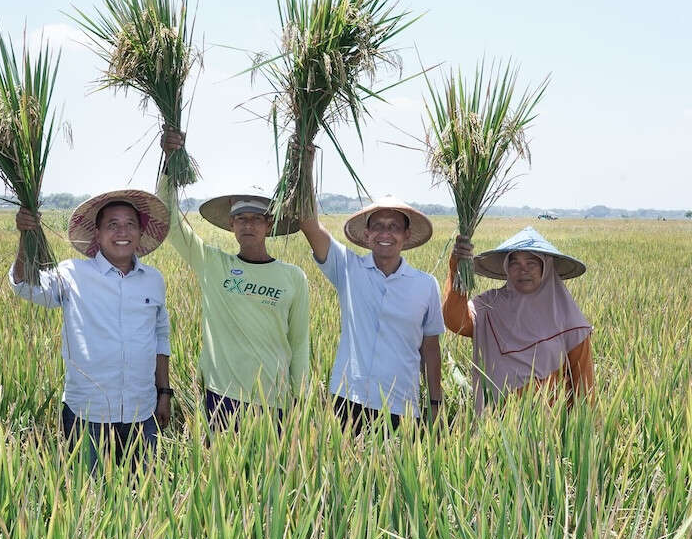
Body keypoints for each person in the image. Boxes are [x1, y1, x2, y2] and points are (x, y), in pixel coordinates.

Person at [158, 130, 310, 431]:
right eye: (242, 218)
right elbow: (171, 224)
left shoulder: (293, 277)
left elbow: (300, 343)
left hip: (274, 399)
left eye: (257, 218)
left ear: (269, 224)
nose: (249, 225)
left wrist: (300, 400)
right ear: (231, 225)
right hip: (221, 397)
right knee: (224, 476)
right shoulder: (213, 264)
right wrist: (169, 163)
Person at [10, 190, 172, 472]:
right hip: (87, 414)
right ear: (97, 234)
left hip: (142, 411)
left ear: (140, 231)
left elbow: (160, 337)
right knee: (88, 502)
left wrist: (164, 394)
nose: (122, 231)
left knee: (145, 499)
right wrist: (26, 237)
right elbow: (26, 285)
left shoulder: (153, 280)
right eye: (112, 224)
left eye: (130, 224)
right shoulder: (72, 274)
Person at [293, 147, 444, 433]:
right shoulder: (348, 269)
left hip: (401, 405)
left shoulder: (425, 286)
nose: (385, 234)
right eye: (378, 227)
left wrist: (435, 404)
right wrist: (305, 161)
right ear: (367, 234)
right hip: (347, 401)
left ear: (406, 235)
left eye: (394, 227)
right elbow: (308, 223)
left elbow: (431, 350)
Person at [442, 226, 594, 413]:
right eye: (515, 263)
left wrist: (582, 433)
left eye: (531, 263)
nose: (523, 271)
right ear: (506, 267)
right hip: (495, 426)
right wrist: (457, 268)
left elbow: (584, 387)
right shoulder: (489, 305)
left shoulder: (569, 320)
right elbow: (456, 322)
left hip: (547, 429)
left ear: (546, 268)